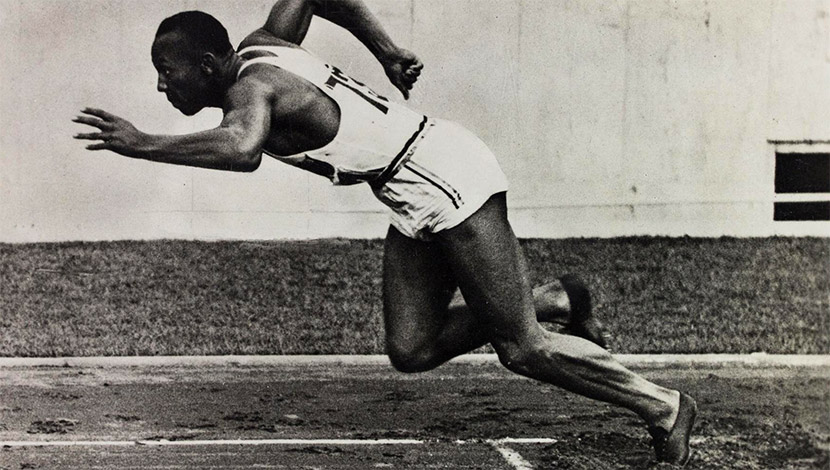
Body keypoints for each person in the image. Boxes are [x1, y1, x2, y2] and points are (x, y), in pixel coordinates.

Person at [73, 0, 696, 465]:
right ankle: (556, 299)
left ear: (208, 65)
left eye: (167, 72)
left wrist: (141, 144)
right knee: (413, 347)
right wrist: (387, 49)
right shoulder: (264, 43)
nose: (161, 85)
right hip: (405, 187)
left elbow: (242, 150)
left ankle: (663, 405)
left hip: (445, 175)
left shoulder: (253, 87)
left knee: (523, 350)